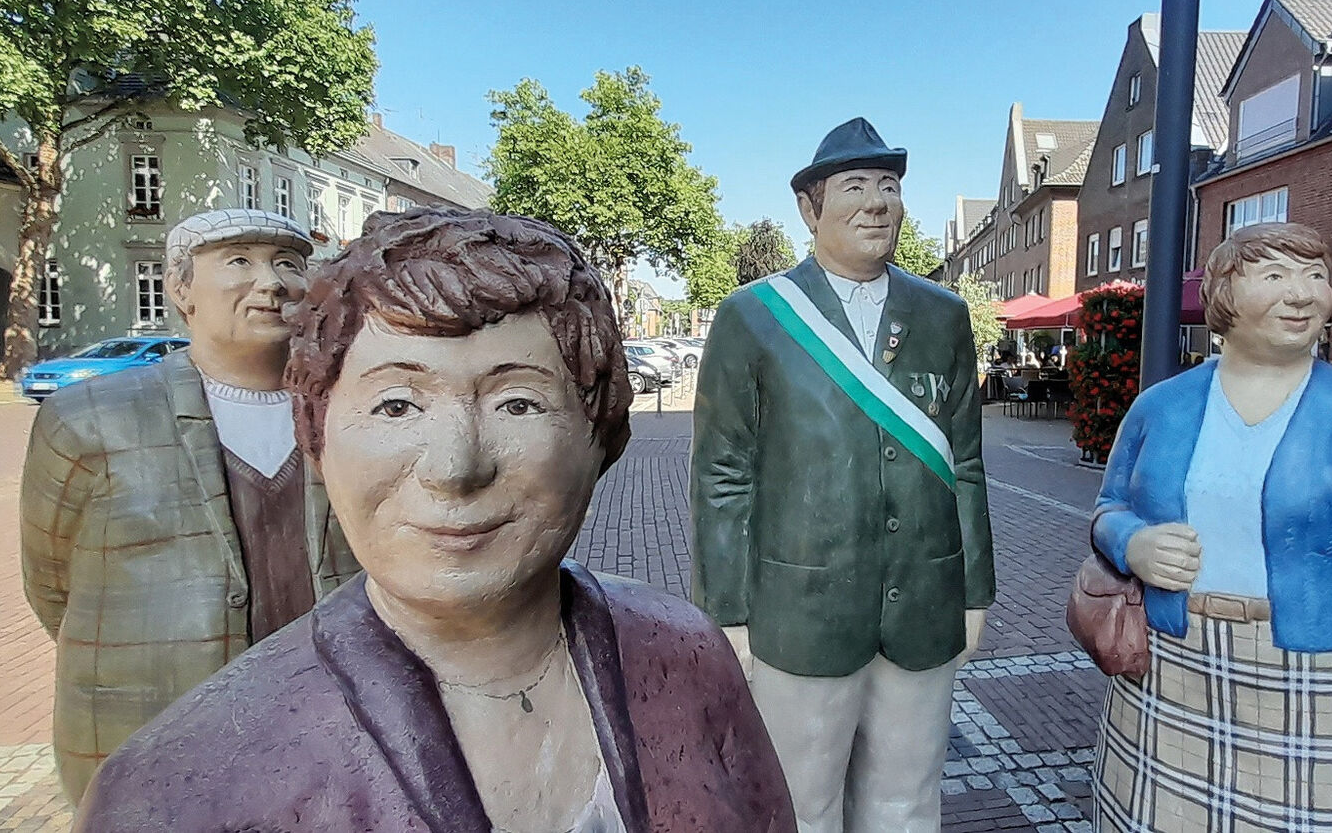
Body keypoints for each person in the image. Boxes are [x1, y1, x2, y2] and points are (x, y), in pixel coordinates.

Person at [77, 208, 795, 833]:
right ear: (318, 436)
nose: (455, 466)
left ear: (600, 435)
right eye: (396, 405)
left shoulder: (687, 659)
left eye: (517, 403)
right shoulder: (176, 789)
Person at [1087, 222, 1332, 831]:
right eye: (1275, 275)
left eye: (1316, 276)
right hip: (1172, 661)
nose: (1303, 294)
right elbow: (1108, 508)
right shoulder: (1162, 406)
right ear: (1224, 294)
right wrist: (1133, 543)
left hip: (1324, 671)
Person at [692, 118, 995, 833]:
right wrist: (727, 613)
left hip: (924, 604)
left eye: (889, 185)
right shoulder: (753, 317)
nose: (877, 202)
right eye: (855, 185)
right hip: (798, 613)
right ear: (810, 207)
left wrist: (975, 589)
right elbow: (723, 475)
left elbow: (966, 462)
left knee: (908, 797)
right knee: (800, 802)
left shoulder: (944, 315)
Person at [18, 209, 359, 803]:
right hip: (158, 730)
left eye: (288, 264)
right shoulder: (87, 418)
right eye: (238, 261)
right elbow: (52, 584)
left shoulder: (354, 411)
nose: (271, 282)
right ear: (181, 289)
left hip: (333, 725)